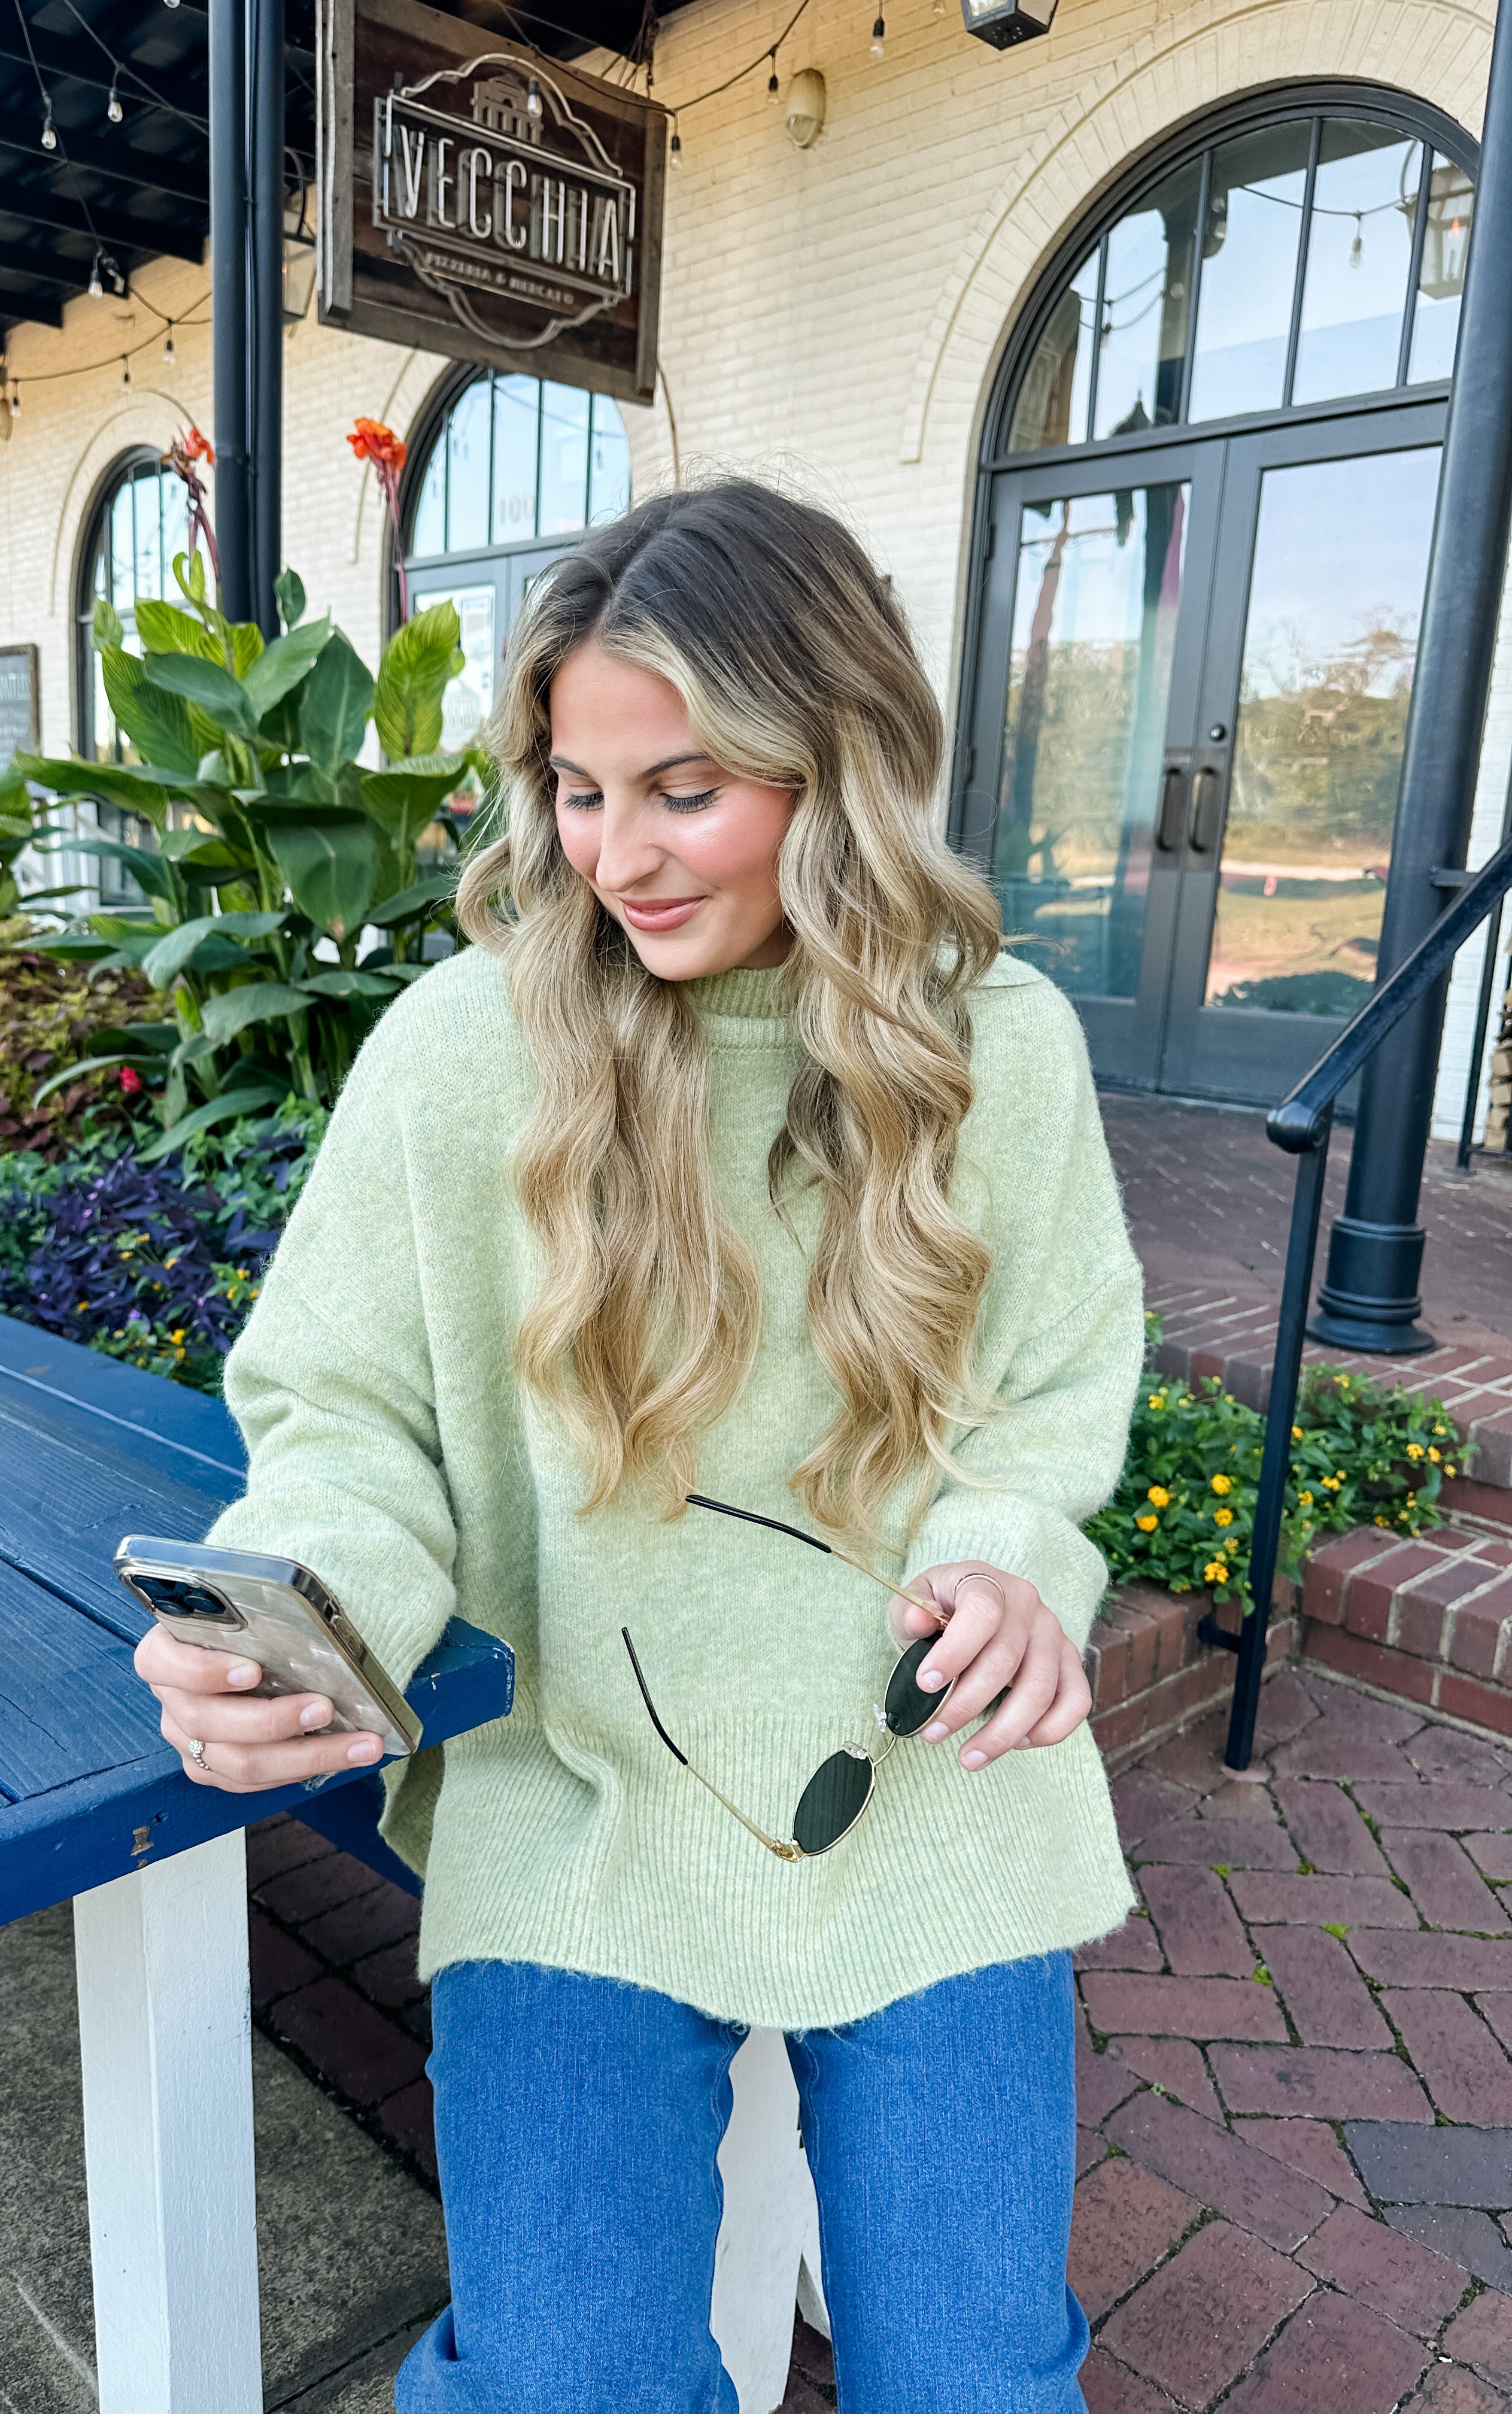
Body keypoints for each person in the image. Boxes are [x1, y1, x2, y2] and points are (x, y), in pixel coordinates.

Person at [133, 479, 1144, 2412]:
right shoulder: (459, 1051)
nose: (616, 855)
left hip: (938, 1796)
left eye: (685, 788)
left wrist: (1019, 1552)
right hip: (576, 1798)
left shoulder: (996, 1045)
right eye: (582, 792)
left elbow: (1056, 1383)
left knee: (976, 2382)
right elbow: (345, 1411)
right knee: (562, 2387)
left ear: (835, 761)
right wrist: (320, 1597)